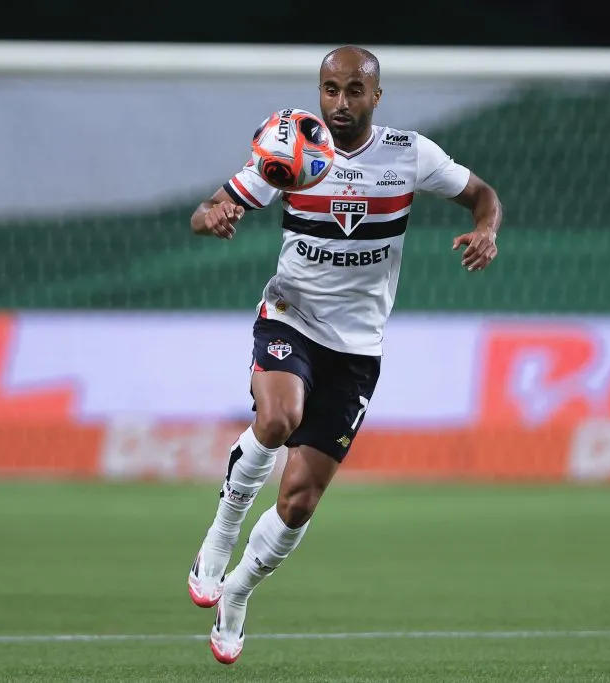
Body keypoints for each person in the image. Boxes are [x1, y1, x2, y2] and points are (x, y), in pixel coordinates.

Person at [186, 46, 502, 664]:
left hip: (357, 348)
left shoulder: (409, 154)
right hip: (292, 315)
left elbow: (483, 194)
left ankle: (239, 592)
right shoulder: (293, 150)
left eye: (354, 90)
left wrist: (486, 229)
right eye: (330, 89)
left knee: (299, 500)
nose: (340, 102)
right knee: (277, 418)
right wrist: (214, 216)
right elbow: (206, 209)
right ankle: (220, 536)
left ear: (376, 97)